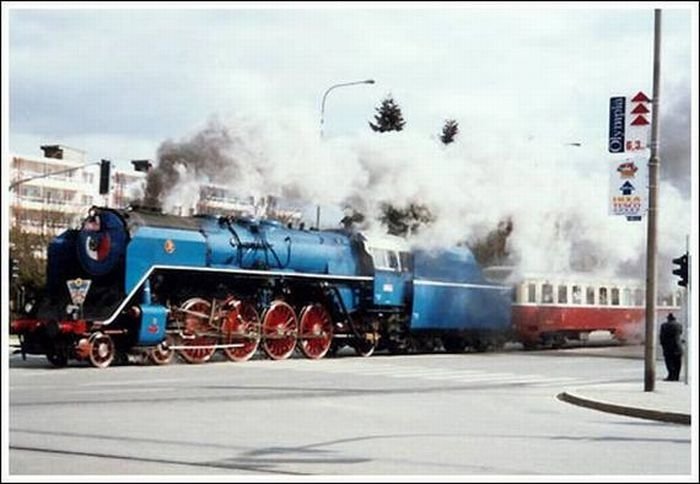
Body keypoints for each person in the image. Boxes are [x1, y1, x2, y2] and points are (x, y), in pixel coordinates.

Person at [659, 313, 683, 381]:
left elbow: (662, 336)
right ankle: (677, 376)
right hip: (678, 347)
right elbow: (680, 333)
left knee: (669, 362)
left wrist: (662, 344)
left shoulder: (664, 325)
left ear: (668, 319)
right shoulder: (679, 325)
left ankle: (671, 376)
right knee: (677, 363)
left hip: (668, 347)